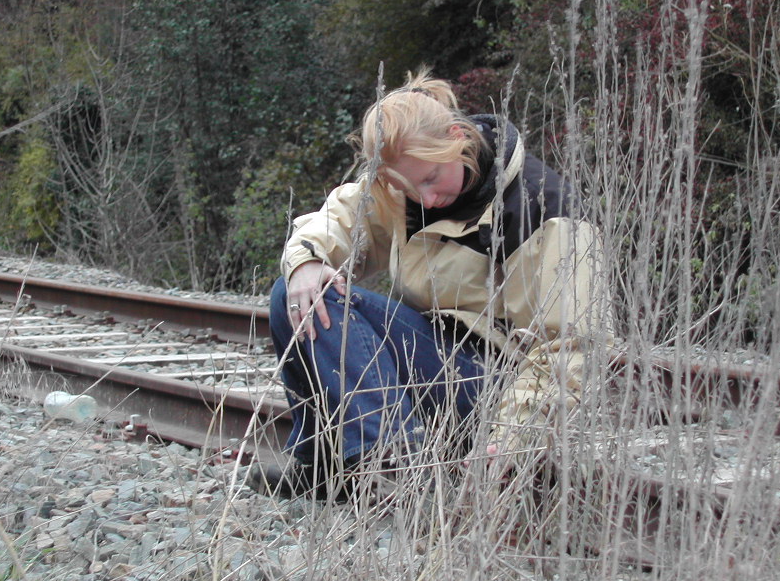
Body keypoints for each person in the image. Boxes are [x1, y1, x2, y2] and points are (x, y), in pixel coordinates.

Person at [251, 69, 613, 500]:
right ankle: (328, 466)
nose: (424, 199)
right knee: (296, 294)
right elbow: (340, 219)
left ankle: (402, 467)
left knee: (318, 301)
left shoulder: (545, 208)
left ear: (458, 137)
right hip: (434, 361)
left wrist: (514, 436)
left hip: (494, 390)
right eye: (407, 187)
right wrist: (306, 260)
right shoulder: (402, 184)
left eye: (430, 179)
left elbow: (571, 347)